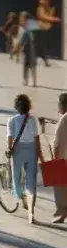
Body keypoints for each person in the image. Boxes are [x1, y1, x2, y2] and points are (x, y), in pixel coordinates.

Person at [6, 93, 43, 224]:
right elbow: (37, 138)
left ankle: (20, 196)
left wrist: (9, 149)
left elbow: (10, 137)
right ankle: (31, 214)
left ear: (16, 107)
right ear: (29, 106)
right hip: (32, 149)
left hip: (18, 150)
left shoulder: (11, 120)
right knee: (31, 180)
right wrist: (40, 155)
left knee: (16, 175)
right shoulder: (32, 120)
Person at [15, 12, 38, 87]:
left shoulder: (27, 29)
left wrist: (17, 48)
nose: (20, 20)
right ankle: (28, 80)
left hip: (30, 48)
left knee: (30, 65)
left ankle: (31, 81)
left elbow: (22, 40)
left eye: (22, 19)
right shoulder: (27, 27)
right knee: (27, 65)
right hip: (28, 49)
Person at [37, 0, 60, 67]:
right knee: (41, 45)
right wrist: (53, 19)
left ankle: (45, 59)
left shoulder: (50, 8)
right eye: (45, 0)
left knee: (45, 45)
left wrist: (52, 14)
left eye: (47, 0)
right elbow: (42, 16)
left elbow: (50, 16)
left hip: (48, 29)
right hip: (41, 29)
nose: (46, 2)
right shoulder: (40, 8)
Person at [54, 94, 67, 224]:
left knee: (61, 189)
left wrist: (55, 159)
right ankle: (63, 215)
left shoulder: (63, 120)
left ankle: (63, 213)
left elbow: (57, 143)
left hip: (62, 159)